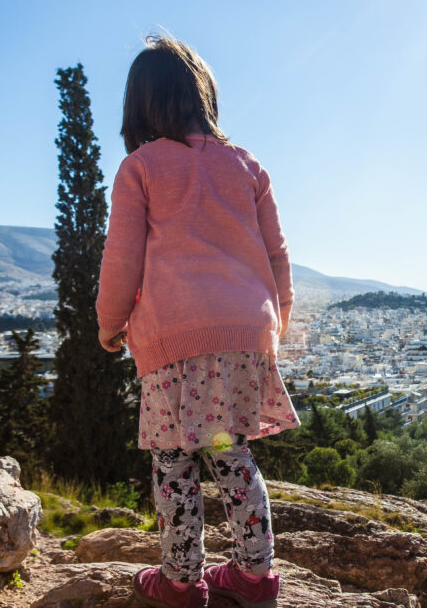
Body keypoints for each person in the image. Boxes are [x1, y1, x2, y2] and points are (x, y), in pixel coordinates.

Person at [96, 35, 298, 608]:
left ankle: (182, 583)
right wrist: (275, 321)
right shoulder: (247, 166)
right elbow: (277, 252)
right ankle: (256, 576)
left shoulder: (140, 168)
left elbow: (122, 257)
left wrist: (109, 324)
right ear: (201, 95)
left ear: (139, 105)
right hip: (243, 335)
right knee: (230, 451)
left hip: (172, 339)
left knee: (173, 460)